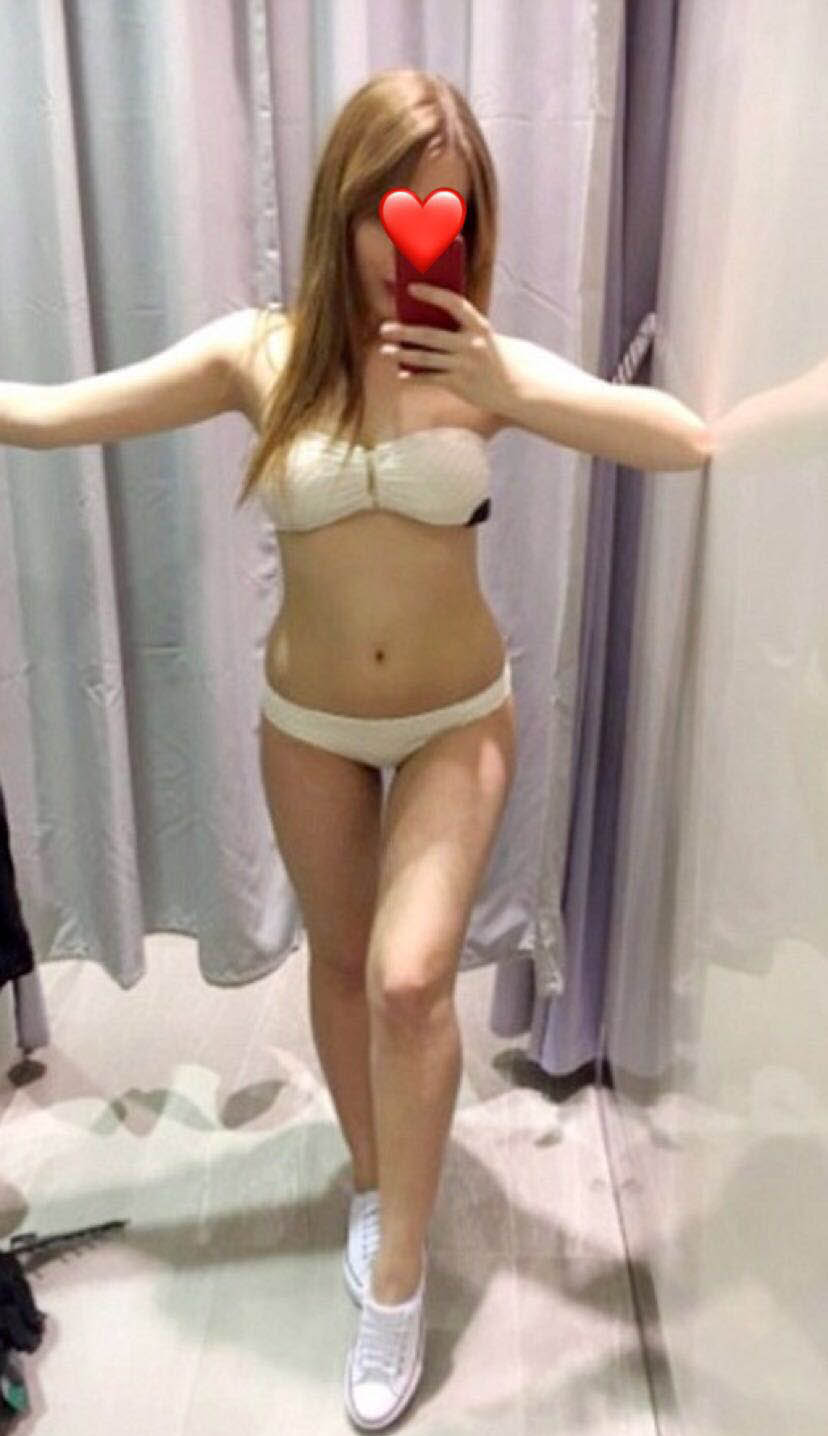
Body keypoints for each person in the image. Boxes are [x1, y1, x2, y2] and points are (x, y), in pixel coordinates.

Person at [0, 66, 711, 1432]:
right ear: (346, 206)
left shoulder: (476, 364)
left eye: (448, 214)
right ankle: (378, 1179)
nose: (416, 243)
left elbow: (677, 440)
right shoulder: (259, 357)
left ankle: (397, 1279)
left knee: (408, 977)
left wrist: (503, 383)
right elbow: (47, 412)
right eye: (396, 210)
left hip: (455, 718)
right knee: (339, 963)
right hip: (311, 726)